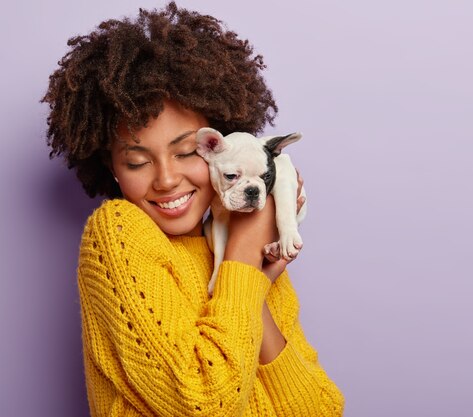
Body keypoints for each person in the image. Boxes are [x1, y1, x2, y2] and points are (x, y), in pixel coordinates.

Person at [42, 3, 344, 416]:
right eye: (136, 161)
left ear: (219, 144)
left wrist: (250, 284)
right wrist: (244, 250)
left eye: (186, 152)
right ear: (111, 168)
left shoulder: (242, 254)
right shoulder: (118, 232)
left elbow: (320, 409)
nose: (166, 179)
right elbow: (205, 404)